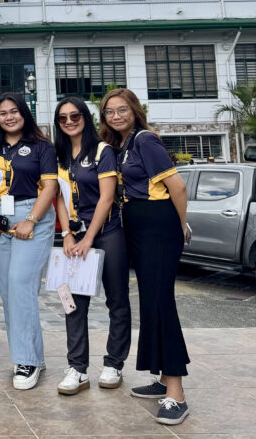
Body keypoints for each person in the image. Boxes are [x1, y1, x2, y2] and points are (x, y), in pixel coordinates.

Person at [100, 88, 191, 426]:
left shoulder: (145, 140)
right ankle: (163, 379)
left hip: (157, 225)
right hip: (139, 225)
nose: (116, 116)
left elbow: (177, 186)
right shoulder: (123, 145)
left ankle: (176, 393)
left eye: (122, 109)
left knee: (161, 304)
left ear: (135, 110)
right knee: (151, 303)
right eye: (110, 111)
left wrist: (180, 226)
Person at [53, 97, 131, 395]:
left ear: (85, 117)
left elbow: (107, 198)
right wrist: (67, 235)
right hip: (75, 236)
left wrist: (88, 238)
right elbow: (59, 198)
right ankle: (77, 368)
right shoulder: (58, 155)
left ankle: (114, 363)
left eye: (75, 115)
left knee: (117, 300)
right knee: (72, 304)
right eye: (63, 118)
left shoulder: (102, 151)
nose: (69, 121)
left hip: (106, 233)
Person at [0, 92, 58, 390]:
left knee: (20, 284)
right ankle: (27, 355)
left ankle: (28, 361)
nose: (9, 117)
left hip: (32, 215)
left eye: (14, 111)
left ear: (24, 113)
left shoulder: (42, 146)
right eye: (3, 113)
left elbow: (50, 187)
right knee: (9, 290)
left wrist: (31, 220)